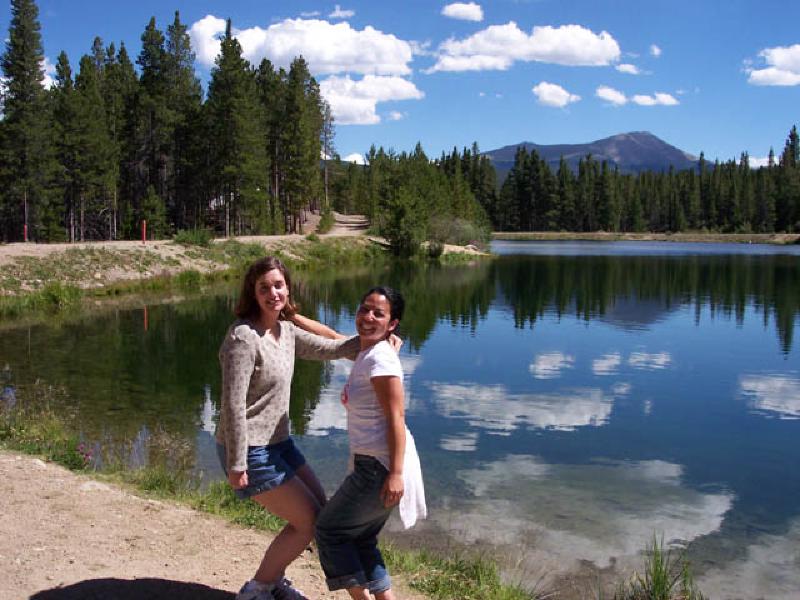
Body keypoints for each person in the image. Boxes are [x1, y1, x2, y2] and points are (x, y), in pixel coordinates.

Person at [216, 256, 361, 600]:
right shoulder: (243, 338)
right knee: (308, 522)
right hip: (250, 449)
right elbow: (233, 405)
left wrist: (377, 340)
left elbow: (336, 348)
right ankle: (258, 589)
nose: (272, 293)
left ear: (288, 288)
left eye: (278, 285)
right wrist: (237, 464)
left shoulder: (286, 331)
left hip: (278, 442)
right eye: (264, 287)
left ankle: (273, 578)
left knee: (319, 513)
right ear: (253, 293)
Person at [306, 286, 426, 600]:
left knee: (330, 531)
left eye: (378, 314)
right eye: (364, 309)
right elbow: (331, 336)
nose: (367, 317)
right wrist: (292, 317)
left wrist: (396, 474)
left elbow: (395, 418)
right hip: (377, 463)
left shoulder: (380, 360)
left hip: (380, 466)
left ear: (393, 324)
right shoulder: (367, 349)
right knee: (360, 539)